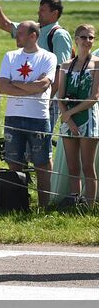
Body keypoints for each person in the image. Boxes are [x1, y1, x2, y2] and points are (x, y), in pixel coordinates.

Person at [0, 20, 59, 205]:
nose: (16, 36)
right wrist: (30, 87)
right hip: (13, 118)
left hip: (38, 118)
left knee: (42, 164)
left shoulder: (48, 57)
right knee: (14, 163)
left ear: (33, 36)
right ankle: (19, 204)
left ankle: (44, 205)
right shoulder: (10, 56)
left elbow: (43, 85)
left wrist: (14, 83)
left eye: (21, 33)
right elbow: (2, 86)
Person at [56, 23, 98, 206]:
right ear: (76, 39)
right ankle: (75, 200)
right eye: (83, 37)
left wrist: (70, 114)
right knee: (73, 166)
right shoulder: (66, 65)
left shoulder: (97, 64)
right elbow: (60, 95)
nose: (87, 41)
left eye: (91, 37)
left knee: (88, 166)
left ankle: (89, 205)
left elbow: (94, 97)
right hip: (69, 119)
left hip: (88, 118)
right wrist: (68, 118)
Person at [0, 0, 72, 64]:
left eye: (43, 10)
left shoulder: (59, 35)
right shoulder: (33, 28)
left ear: (54, 13)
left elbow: (61, 68)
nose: (38, 13)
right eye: (39, 10)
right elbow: (4, 25)